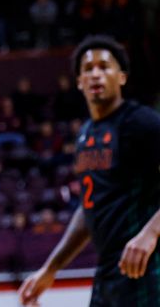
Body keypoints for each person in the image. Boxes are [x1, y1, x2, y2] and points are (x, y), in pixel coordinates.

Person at [18, 34, 160, 307]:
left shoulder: (142, 122)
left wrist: (151, 233)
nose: (96, 74)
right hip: (108, 272)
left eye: (104, 67)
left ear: (121, 77)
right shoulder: (85, 135)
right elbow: (88, 207)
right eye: (88, 69)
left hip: (147, 264)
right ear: (80, 82)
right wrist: (51, 268)